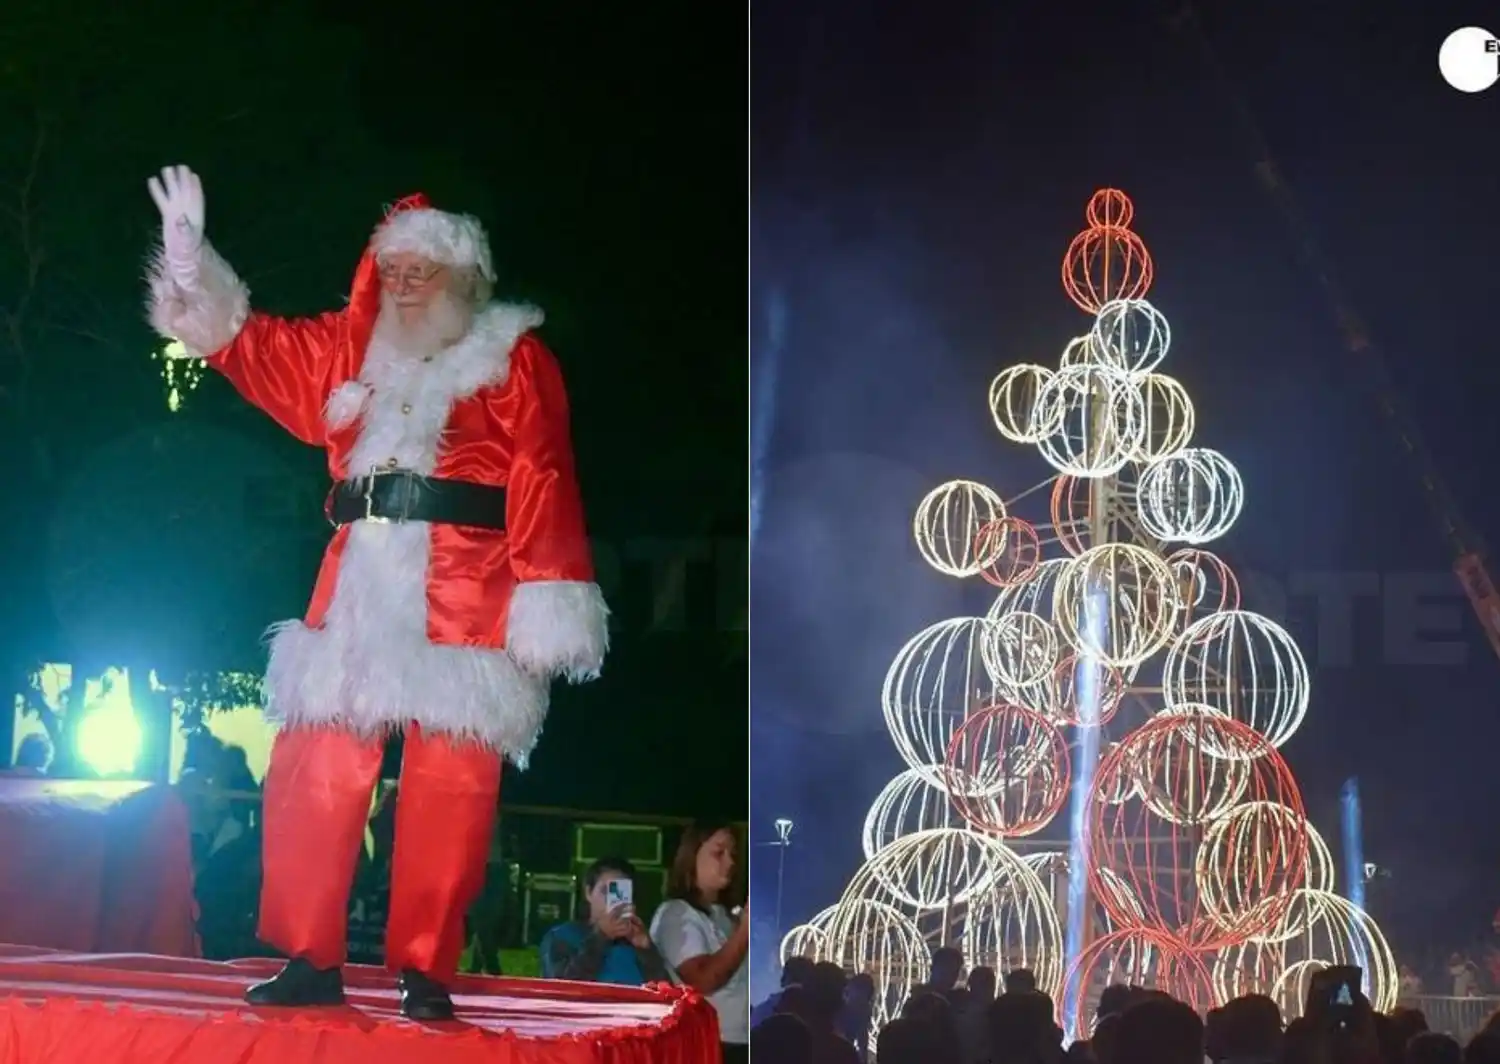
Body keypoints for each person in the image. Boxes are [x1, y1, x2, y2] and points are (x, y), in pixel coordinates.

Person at [144, 166, 609, 1019]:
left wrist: (549, 596)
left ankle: (427, 968)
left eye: (419, 272)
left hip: (465, 585)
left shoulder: (514, 359)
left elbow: (545, 475)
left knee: (452, 785)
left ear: (464, 280)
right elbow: (254, 348)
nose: (401, 286)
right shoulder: (347, 352)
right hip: (356, 578)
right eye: (391, 271)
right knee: (313, 766)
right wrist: (189, 269)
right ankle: (307, 956)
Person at [650, 822, 749, 1062]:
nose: (730, 862)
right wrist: (746, 929)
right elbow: (702, 981)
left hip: (740, 1041)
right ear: (692, 856)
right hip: (708, 1044)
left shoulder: (725, 915)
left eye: (733, 854)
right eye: (718, 853)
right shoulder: (676, 914)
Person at [539, 857, 671, 985]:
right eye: (605, 891)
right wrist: (601, 936)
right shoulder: (562, 937)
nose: (611, 901)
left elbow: (665, 991)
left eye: (621, 892)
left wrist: (646, 951)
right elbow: (562, 987)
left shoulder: (637, 942)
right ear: (589, 892)